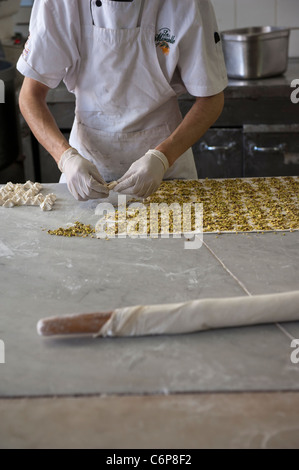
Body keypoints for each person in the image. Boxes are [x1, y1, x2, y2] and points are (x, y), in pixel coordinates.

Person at [17, 0, 227, 201]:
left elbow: (211, 99)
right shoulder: (59, 3)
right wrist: (65, 158)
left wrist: (162, 158)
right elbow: (30, 96)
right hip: (86, 172)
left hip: (166, 170)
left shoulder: (188, 4)